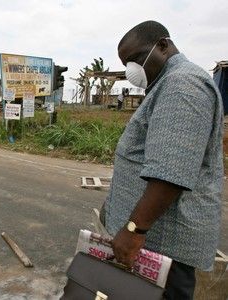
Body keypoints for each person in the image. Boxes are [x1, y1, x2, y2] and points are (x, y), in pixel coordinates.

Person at [101, 21, 223, 299]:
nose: (132, 69)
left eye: (135, 59)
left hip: (165, 246)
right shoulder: (166, 83)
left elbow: (171, 171)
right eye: (126, 63)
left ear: (163, 46)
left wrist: (134, 229)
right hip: (153, 241)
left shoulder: (183, 85)